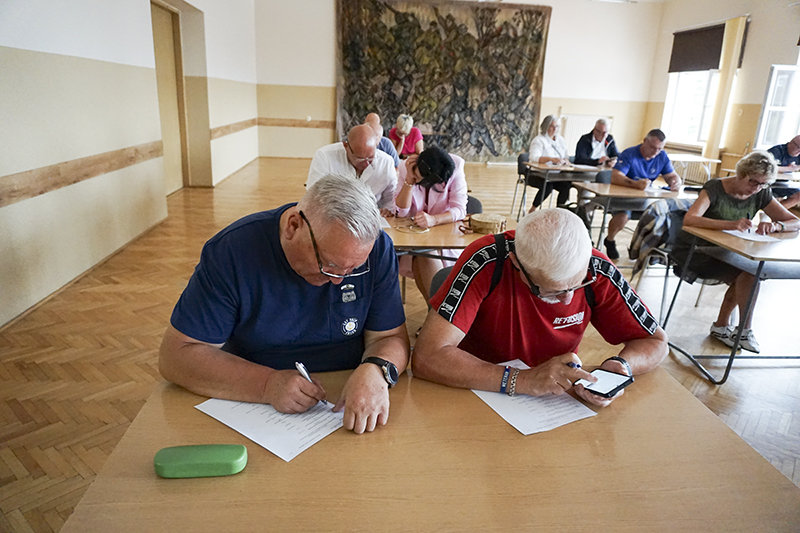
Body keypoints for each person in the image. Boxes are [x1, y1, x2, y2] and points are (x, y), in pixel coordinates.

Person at [159, 175, 410, 434]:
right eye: (331, 266)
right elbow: (176, 355)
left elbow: (390, 336)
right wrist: (266, 385)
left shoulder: (377, 249)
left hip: (346, 400)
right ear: (293, 226)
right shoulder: (232, 252)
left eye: (354, 269)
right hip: (256, 406)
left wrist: (377, 369)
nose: (339, 281)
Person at [412, 208, 668, 408]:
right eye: (552, 291)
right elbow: (427, 357)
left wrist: (622, 364)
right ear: (516, 263)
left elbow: (656, 341)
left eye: (578, 284)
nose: (568, 300)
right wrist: (521, 380)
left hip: (554, 401)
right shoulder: (486, 259)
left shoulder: (596, 268)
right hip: (473, 393)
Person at [671, 151, 799, 354]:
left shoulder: (760, 192)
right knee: (748, 274)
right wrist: (730, 224)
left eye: (763, 184)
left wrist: (776, 227)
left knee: (749, 272)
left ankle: (726, 328)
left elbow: (795, 222)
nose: (756, 188)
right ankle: (739, 330)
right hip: (697, 249)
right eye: (753, 182)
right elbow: (690, 219)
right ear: (741, 174)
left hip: (731, 250)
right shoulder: (715, 187)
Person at [394, 146, 468, 301]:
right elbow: (401, 212)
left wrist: (434, 219)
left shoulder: (455, 166)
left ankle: (436, 314)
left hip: (444, 234)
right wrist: (409, 180)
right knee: (423, 253)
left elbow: (460, 209)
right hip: (415, 236)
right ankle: (438, 314)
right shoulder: (405, 167)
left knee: (425, 254)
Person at [603, 129, 682, 260]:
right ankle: (610, 240)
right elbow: (616, 176)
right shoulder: (629, 154)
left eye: (659, 149)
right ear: (644, 141)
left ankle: (647, 248)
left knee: (660, 216)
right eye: (652, 147)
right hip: (625, 196)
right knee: (623, 216)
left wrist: (676, 182)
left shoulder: (662, 156)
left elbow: (671, 175)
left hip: (647, 198)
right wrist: (635, 184)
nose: (655, 152)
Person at [307, 124, 396, 210]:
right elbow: (313, 195)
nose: (366, 164)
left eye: (371, 157)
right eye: (360, 159)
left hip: (372, 216)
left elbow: (390, 199)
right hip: (333, 214)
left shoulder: (386, 162)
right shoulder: (325, 156)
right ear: (346, 147)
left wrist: (386, 211)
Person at [527, 114, 571, 210]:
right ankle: (533, 208)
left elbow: (566, 156)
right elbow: (534, 158)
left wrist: (566, 161)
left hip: (555, 174)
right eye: (552, 126)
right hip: (537, 173)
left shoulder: (561, 140)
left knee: (566, 185)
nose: (554, 129)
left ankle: (560, 210)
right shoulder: (539, 140)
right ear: (546, 126)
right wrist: (550, 159)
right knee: (548, 185)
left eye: (557, 127)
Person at [767, 134, 800, 209]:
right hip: (767, 183)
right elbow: (768, 167)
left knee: (798, 194)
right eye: (798, 148)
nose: (799, 152)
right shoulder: (777, 151)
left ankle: (774, 211)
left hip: (783, 184)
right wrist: (790, 169)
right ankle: (771, 211)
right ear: (791, 143)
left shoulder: (798, 155)